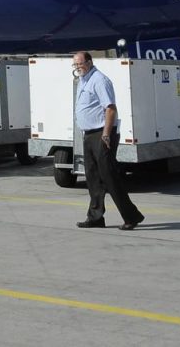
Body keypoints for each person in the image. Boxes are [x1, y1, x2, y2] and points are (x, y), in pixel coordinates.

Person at [71, 53, 143, 230]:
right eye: (74, 65)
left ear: (89, 62)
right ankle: (96, 217)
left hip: (101, 134)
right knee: (93, 177)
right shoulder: (83, 80)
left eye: (80, 64)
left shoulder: (99, 80)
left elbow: (110, 109)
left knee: (109, 176)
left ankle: (131, 216)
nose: (77, 68)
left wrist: (106, 134)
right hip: (88, 134)